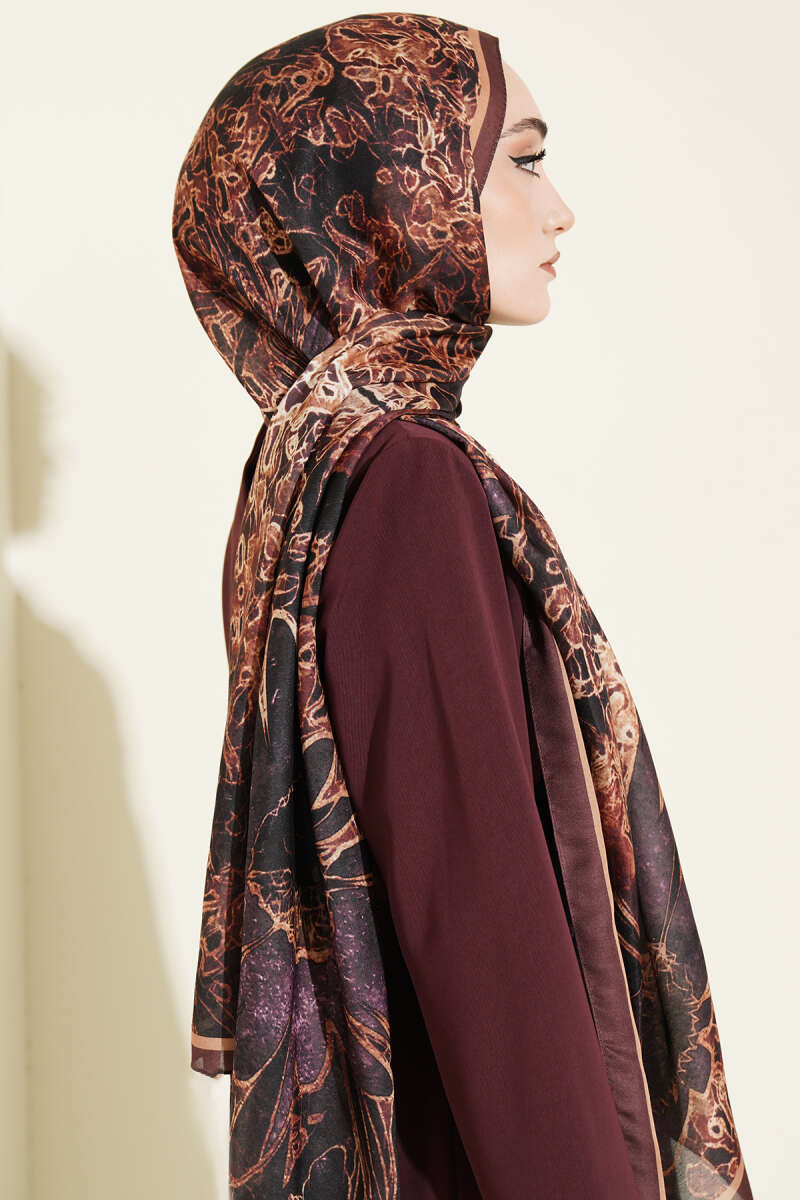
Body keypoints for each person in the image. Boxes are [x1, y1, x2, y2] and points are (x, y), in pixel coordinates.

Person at [174, 13, 753, 1200]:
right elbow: (480, 921)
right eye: (521, 159)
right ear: (391, 193)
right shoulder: (404, 479)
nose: (559, 210)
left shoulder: (299, 466)